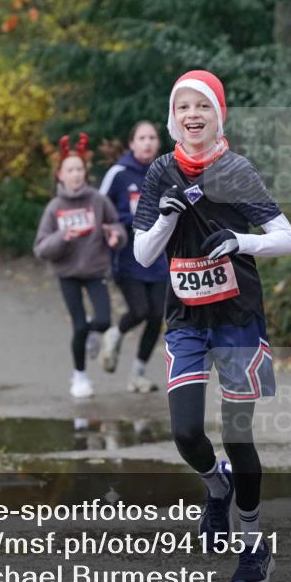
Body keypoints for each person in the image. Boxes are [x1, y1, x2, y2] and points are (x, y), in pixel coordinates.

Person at [133, 70, 291, 582]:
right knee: (185, 433)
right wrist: (163, 220)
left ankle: (253, 547)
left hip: (236, 317)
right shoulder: (161, 171)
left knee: (237, 434)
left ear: (217, 114)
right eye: (183, 107)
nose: (192, 115)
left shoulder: (236, 170)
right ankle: (216, 484)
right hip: (185, 317)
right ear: (172, 117)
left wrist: (238, 241)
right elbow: (142, 254)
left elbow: (287, 238)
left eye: (201, 106)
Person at [34, 133, 127, 399]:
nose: (75, 174)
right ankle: (80, 377)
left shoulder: (98, 201)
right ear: (60, 175)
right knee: (78, 326)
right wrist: (63, 237)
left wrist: (115, 236)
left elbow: (118, 227)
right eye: (70, 170)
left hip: (95, 270)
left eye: (79, 169)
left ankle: (91, 332)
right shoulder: (54, 207)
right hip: (68, 274)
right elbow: (40, 248)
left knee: (103, 320)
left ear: (85, 173)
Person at [98, 121, 168, 393]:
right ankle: (114, 334)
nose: (148, 142)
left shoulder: (165, 172)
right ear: (132, 143)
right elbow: (99, 210)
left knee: (156, 316)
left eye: (152, 137)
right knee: (139, 311)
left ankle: (138, 374)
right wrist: (118, 229)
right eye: (142, 137)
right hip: (127, 257)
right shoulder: (119, 174)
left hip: (159, 259)